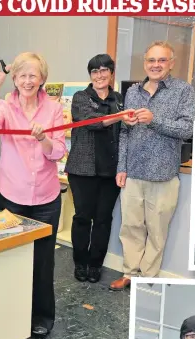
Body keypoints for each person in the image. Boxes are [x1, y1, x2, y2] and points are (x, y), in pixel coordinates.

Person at [0, 52, 66, 337]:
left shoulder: (53, 108)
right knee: (8, 259)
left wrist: (43, 138)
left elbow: (59, 151)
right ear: (13, 78)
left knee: (42, 262)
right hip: (10, 195)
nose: (28, 81)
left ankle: (41, 316)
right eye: (22, 75)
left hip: (45, 198)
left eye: (33, 75)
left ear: (42, 79)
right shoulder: (4, 106)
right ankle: (7, 314)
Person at [109, 40, 195, 291]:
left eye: (161, 60)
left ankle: (147, 276)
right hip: (133, 173)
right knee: (131, 228)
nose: (156, 65)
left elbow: (187, 128)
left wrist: (154, 120)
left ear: (171, 63)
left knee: (156, 232)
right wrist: (121, 167)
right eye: (151, 60)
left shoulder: (183, 91)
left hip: (163, 175)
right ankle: (129, 273)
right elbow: (125, 132)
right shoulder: (133, 92)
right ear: (144, 63)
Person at [64, 54, 130, 283]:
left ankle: (95, 265)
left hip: (110, 170)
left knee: (104, 220)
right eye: (95, 71)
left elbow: (125, 133)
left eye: (104, 70)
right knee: (83, 217)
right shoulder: (81, 97)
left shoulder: (120, 99)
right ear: (90, 75)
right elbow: (91, 121)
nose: (100, 75)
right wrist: (120, 116)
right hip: (82, 170)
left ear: (112, 73)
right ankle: (80, 263)